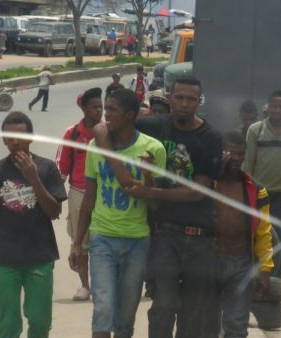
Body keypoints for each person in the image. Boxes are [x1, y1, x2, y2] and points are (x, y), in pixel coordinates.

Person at [93, 77, 224, 338]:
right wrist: (118, 167)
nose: (184, 104)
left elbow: (198, 191)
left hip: (201, 236)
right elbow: (100, 129)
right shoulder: (154, 125)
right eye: (179, 97)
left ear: (199, 101)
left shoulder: (210, 137)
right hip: (165, 235)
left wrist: (148, 191)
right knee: (164, 305)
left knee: (192, 311)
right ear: (170, 98)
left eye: (190, 98)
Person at [68, 88, 166, 338]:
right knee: (102, 307)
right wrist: (78, 243)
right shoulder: (94, 146)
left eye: (112, 109)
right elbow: (90, 195)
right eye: (104, 108)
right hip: (103, 237)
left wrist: (149, 180)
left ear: (130, 115)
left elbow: (157, 205)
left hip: (137, 240)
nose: (105, 114)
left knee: (126, 314)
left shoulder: (153, 149)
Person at [0, 111, 67, 338]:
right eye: (10, 137)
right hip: (6, 260)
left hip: (40, 258)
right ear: (4, 139)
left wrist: (34, 178)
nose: (15, 142)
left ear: (31, 137)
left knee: (39, 322)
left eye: (20, 136)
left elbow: (54, 211)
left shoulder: (46, 169)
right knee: (8, 325)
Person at [216, 131, 274, 338]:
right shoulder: (205, 182)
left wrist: (265, 270)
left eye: (241, 154)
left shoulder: (256, 190)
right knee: (204, 323)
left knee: (237, 325)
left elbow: (264, 232)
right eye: (231, 153)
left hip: (241, 262)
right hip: (207, 260)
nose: (236, 158)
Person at [243, 90, 281, 282]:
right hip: (259, 194)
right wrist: (246, 193)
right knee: (255, 238)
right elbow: (248, 163)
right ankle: (254, 280)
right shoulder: (255, 130)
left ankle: (275, 284)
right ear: (268, 108)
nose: (277, 110)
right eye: (274, 106)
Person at [55, 87, 103, 301]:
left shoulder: (110, 133)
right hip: (79, 192)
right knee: (80, 241)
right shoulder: (72, 133)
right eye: (94, 107)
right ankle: (85, 286)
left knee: (103, 241)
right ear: (83, 108)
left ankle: (103, 285)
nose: (98, 111)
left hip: (104, 194)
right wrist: (55, 196)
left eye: (100, 107)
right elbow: (61, 165)